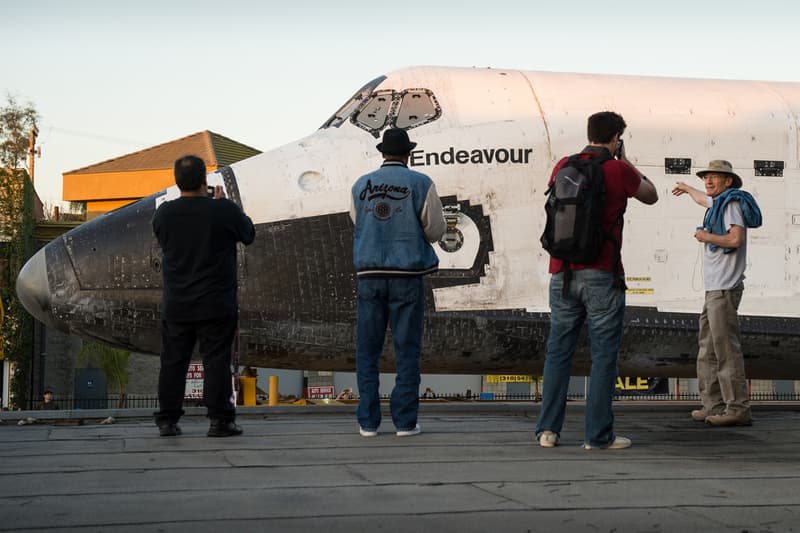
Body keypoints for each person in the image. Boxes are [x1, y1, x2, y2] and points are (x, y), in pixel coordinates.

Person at [535, 111, 658, 450]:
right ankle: (597, 436)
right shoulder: (617, 170)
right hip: (601, 273)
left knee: (558, 352)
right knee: (604, 355)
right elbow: (651, 195)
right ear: (616, 136)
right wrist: (627, 161)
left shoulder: (564, 164)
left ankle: (548, 431)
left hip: (561, 271)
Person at [350, 128, 446, 438]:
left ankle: (368, 422)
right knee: (407, 348)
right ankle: (405, 422)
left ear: (382, 153)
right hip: (407, 276)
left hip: (370, 275)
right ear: (409, 154)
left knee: (368, 349)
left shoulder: (359, 185)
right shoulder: (421, 183)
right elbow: (435, 230)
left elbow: (357, 222)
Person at [152, 155, 255, 438]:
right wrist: (224, 205)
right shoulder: (222, 210)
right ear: (204, 181)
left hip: (177, 302)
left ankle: (167, 421)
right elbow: (248, 234)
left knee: (173, 362)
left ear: (176, 181)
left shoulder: (164, 214)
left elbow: (163, 238)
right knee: (216, 361)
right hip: (216, 301)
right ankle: (220, 420)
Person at [672, 160, 761, 426]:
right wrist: (688, 189)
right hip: (714, 289)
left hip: (724, 288)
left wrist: (706, 237)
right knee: (707, 349)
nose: (708, 182)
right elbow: (702, 200)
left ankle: (737, 409)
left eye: (715, 178)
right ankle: (713, 404)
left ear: (728, 182)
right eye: (706, 178)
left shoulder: (731, 205)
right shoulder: (718, 204)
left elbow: (735, 239)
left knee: (725, 349)